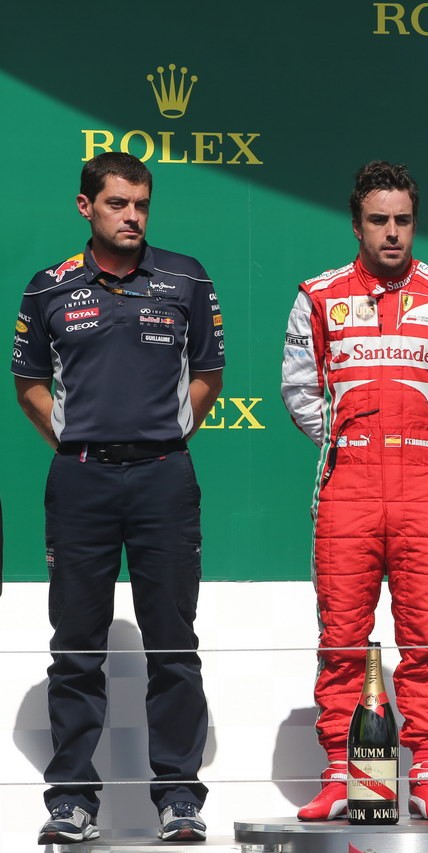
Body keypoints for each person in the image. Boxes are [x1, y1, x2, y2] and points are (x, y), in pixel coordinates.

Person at [12, 152, 224, 844]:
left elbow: (209, 373)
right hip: (80, 479)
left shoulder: (186, 277)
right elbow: (30, 384)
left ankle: (179, 797)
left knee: (173, 643)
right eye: (116, 204)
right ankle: (72, 797)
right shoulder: (48, 289)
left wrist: (165, 430)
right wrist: (78, 441)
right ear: (86, 208)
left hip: (165, 476)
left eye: (140, 204)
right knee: (75, 643)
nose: (131, 216)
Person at [281, 161, 428, 821]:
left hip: (423, 481)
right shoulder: (319, 295)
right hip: (348, 483)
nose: (392, 233)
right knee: (342, 635)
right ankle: (341, 773)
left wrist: (425, 444)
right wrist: (347, 443)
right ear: (356, 224)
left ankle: (426, 771)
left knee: (423, 636)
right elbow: (299, 390)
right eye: (379, 220)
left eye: (402, 219)